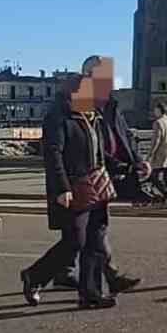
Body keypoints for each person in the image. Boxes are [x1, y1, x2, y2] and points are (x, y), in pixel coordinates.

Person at [21, 85, 120, 309]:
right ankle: (34, 276)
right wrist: (62, 188)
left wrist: (126, 166)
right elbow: (53, 154)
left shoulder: (92, 118)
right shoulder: (60, 117)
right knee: (76, 240)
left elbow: (98, 154)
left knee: (95, 240)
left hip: (97, 185)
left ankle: (91, 295)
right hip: (76, 187)